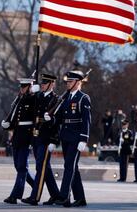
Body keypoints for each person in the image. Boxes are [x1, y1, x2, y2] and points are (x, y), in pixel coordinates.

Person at [22, 74, 61, 206]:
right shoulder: (38, 96)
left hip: (46, 138)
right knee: (45, 168)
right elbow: (26, 104)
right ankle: (56, 195)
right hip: (36, 136)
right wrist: (31, 92)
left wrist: (54, 141)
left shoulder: (56, 99)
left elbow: (57, 123)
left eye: (45, 83)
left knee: (40, 167)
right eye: (42, 83)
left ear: (52, 84)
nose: (43, 85)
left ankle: (35, 197)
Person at [54, 70, 91, 207]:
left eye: (70, 81)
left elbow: (86, 120)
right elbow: (60, 116)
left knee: (69, 166)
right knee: (72, 166)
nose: (68, 83)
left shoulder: (83, 98)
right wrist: (50, 117)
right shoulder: (66, 97)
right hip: (65, 136)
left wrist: (84, 139)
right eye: (67, 81)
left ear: (78, 82)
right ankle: (80, 198)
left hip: (76, 137)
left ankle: (64, 196)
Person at [1, 78, 36, 204]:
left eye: (24, 87)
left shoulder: (32, 100)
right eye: (21, 86)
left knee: (22, 167)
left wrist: (33, 139)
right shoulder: (19, 99)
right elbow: (15, 117)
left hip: (26, 137)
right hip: (17, 136)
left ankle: (14, 195)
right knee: (18, 166)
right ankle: (37, 186)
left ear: (30, 87)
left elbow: (35, 121)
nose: (21, 88)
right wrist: (7, 125)